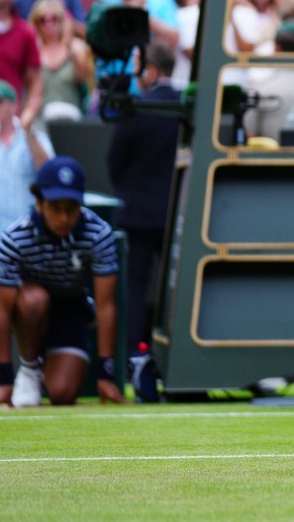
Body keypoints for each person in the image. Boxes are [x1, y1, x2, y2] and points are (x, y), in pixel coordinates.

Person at [0, 155, 125, 407]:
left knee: (62, 393)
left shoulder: (99, 234)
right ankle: (28, 370)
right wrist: (4, 381)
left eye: (71, 208)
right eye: (55, 207)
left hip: (70, 307)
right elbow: (3, 311)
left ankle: (45, 366)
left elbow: (107, 306)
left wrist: (106, 374)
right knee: (35, 299)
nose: (63, 218)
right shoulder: (14, 237)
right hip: (25, 305)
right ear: (39, 203)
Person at [105, 43, 178, 402]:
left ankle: (138, 356)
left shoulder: (136, 111)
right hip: (176, 213)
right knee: (176, 289)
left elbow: (115, 162)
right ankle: (174, 358)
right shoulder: (184, 109)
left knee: (135, 289)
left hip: (138, 213)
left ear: (150, 70)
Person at [0, 79, 52, 263]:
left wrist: (28, 132)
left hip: (24, 241)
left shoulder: (34, 136)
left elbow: (49, 175)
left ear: (13, 105)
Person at [28, 0, 92, 123]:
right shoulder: (31, 50)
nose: (49, 24)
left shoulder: (75, 48)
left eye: (54, 19)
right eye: (43, 20)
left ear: (61, 21)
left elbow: (83, 78)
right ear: (36, 23)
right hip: (39, 120)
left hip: (70, 119)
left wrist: (70, 43)